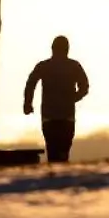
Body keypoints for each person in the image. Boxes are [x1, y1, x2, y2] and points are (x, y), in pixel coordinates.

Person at [23, 35, 89, 163]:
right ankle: (62, 176)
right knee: (64, 150)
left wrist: (28, 103)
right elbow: (84, 87)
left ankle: (53, 176)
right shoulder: (74, 66)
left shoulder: (44, 66)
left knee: (52, 149)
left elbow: (30, 84)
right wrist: (73, 98)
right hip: (67, 116)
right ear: (67, 49)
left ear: (52, 48)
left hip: (49, 116)